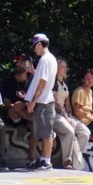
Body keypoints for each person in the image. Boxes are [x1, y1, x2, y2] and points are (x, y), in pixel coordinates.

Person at [24, 33, 58, 170]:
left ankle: (46, 161)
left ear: (39, 44)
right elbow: (42, 77)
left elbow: (43, 82)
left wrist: (33, 101)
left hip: (43, 101)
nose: (34, 50)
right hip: (45, 100)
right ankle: (44, 159)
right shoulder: (51, 59)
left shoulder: (45, 59)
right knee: (44, 132)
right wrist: (33, 71)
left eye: (35, 46)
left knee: (46, 133)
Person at [52, 58, 90, 170]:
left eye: (66, 66)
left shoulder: (65, 84)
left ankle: (76, 159)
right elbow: (55, 103)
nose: (65, 69)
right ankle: (66, 161)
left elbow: (67, 103)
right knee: (69, 131)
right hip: (56, 114)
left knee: (85, 132)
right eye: (62, 66)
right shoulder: (53, 83)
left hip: (65, 114)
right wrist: (65, 117)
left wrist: (69, 115)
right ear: (57, 68)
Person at [0, 54, 37, 164]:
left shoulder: (33, 81)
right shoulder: (9, 81)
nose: (18, 64)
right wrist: (14, 106)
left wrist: (24, 104)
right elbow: (6, 102)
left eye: (22, 62)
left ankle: (31, 158)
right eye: (17, 62)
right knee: (14, 110)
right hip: (13, 114)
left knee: (35, 126)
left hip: (27, 112)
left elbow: (36, 98)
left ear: (27, 65)